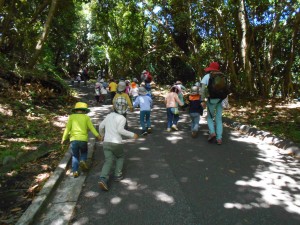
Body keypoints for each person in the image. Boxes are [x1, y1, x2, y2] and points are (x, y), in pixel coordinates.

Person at [98, 97, 138, 191]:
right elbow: (120, 130)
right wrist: (132, 135)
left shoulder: (108, 116)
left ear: (114, 106)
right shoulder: (122, 118)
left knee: (108, 160)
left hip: (106, 142)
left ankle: (103, 179)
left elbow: (101, 126)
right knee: (120, 157)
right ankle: (117, 175)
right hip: (116, 143)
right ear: (125, 108)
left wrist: (102, 135)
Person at [61, 102, 102, 178]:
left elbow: (67, 128)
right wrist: (98, 136)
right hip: (83, 140)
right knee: (84, 152)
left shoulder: (72, 117)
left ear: (76, 110)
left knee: (75, 156)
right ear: (84, 110)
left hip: (74, 140)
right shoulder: (86, 118)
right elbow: (92, 128)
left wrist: (63, 138)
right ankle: (83, 160)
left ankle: (75, 171)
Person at [200, 62, 224, 145]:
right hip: (221, 100)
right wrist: (226, 102)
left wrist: (202, 100)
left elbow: (202, 89)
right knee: (219, 118)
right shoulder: (222, 76)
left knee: (210, 117)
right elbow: (226, 90)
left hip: (211, 100)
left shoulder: (207, 76)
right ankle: (219, 138)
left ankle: (212, 132)